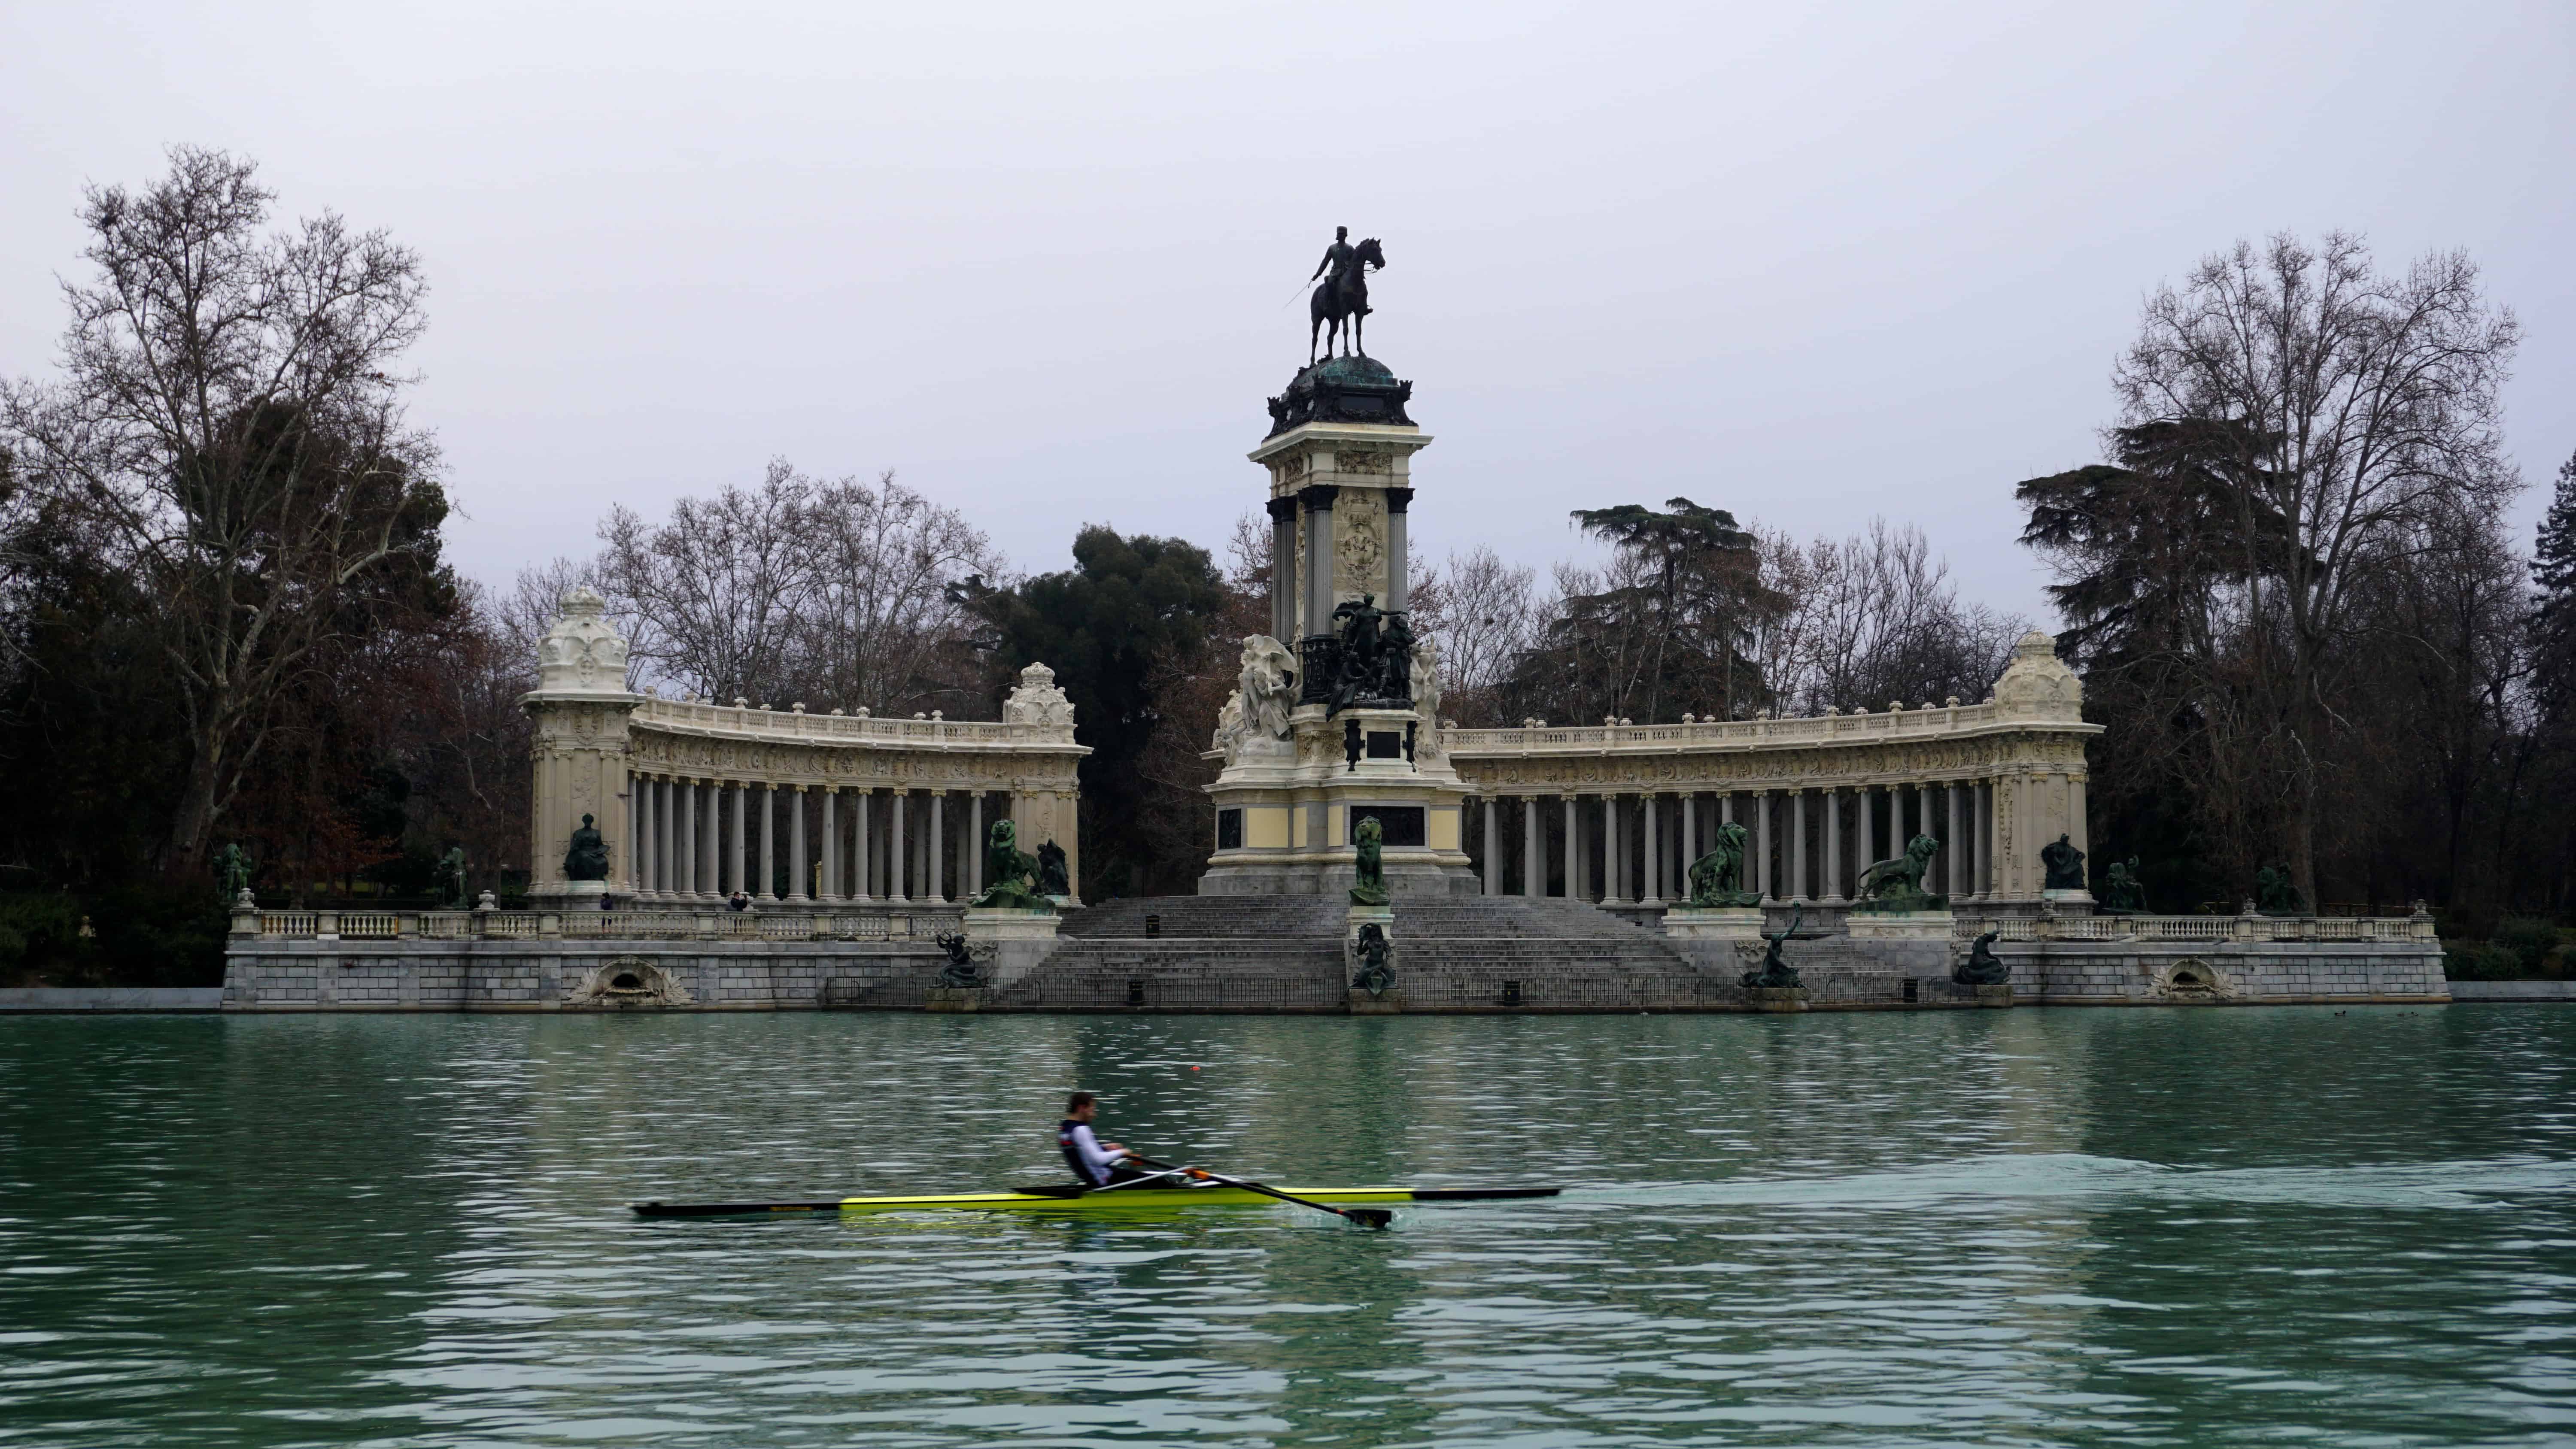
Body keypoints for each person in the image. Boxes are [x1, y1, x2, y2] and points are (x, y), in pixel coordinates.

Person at [1057, 1091, 1145, 1188]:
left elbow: (1082, 1154)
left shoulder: (1065, 1130)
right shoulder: (1081, 1130)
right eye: (1092, 1110)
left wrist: (1105, 1148)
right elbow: (1098, 1160)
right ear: (1081, 1108)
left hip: (1093, 1180)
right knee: (1156, 1181)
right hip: (1106, 1180)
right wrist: (1122, 1152)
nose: (1094, 1115)